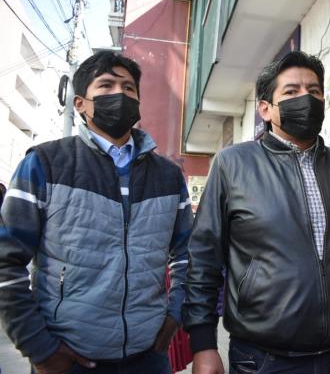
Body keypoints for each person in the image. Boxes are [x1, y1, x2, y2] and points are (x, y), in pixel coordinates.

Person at [183, 51, 330, 374]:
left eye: (314, 91)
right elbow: (203, 259)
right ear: (265, 109)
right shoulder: (233, 165)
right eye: (291, 92)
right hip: (264, 359)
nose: (306, 99)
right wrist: (203, 345)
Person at [0, 51, 192, 374]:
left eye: (129, 88)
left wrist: (175, 316)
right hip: (66, 359)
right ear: (80, 104)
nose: (120, 94)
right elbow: (6, 262)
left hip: (149, 357)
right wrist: (40, 348)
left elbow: (189, 254)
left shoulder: (169, 176)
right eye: (106, 85)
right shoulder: (45, 164)